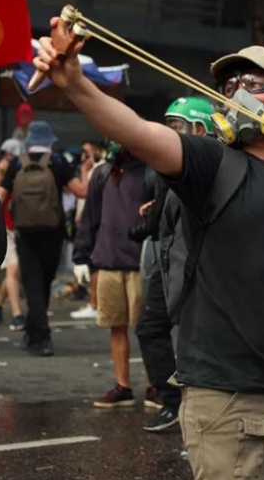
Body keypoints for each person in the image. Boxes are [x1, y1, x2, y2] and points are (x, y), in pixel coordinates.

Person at [34, 30, 264, 480]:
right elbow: (137, 132)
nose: (239, 93)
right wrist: (77, 85)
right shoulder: (209, 164)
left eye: (254, 82)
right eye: (230, 87)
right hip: (228, 397)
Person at [134, 96, 216, 432]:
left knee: (203, 336)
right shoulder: (169, 166)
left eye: (177, 127)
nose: (170, 134)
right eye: (168, 127)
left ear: (200, 129)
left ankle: (202, 405)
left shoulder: (212, 167)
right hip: (169, 261)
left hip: (202, 264)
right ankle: (173, 401)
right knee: (150, 327)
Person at [0, 121, 90, 356]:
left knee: (32, 284)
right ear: (50, 141)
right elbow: (81, 191)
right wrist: (86, 169)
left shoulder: (17, 163)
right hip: (53, 233)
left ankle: (36, 334)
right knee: (44, 282)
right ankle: (40, 336)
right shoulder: (59, 162)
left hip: (25, 233)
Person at [73, 141, 147, 407]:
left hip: (141, 261)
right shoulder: (103, 173)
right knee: (116, 326)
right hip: (108, 260)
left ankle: (155, 386)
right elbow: (90, 218)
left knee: (147, 329)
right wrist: (81, 255)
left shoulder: (150, 170)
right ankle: (122, 385)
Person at [0, 139, 26, 331]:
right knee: (13, 270)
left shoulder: (23, 169)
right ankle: (17, 314)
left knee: (14, 271)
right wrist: (1, 175)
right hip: (5, 227)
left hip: (19, 225)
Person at [71, 139, 107, 320]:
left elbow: (85, 192)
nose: (84, 157)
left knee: (94, 265)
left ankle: (94, 303)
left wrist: (85, 171)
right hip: (85, 220)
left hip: (92, 221)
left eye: (87, 153)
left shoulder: (100, 169)